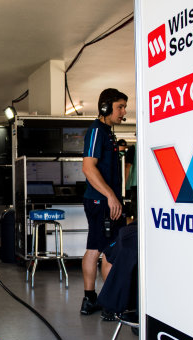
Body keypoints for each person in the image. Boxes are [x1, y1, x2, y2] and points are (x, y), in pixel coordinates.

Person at [80, 88, 127, 316]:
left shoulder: (107, 132)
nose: (123, 111)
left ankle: (91, 300)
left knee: (97, 248)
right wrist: (110, 196)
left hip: (103, 201)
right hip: (102, 202)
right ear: (106, 107)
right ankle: (108, 306)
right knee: (108, 250)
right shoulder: (97, 131)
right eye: (120, 106)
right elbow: (88, 167)